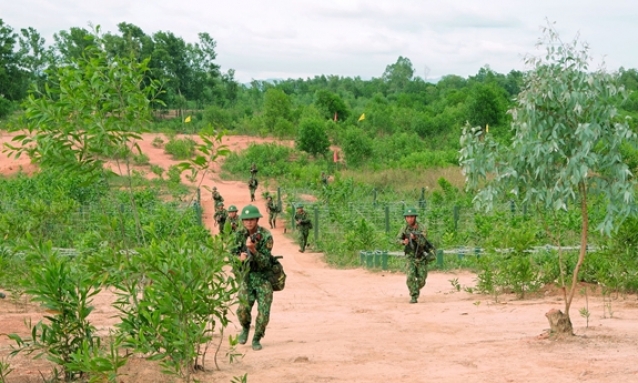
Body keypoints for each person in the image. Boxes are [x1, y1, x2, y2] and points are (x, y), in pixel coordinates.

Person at [231, 205, 275, 351]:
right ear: (242, 221)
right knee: (242, 310)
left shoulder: (266, 236)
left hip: (262, 278)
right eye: (246, 220)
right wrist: (239, 258)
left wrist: (252, 250)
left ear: (257, 220)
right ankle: (245, 328)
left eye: (252, 219)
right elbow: (231, 255)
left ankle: (256, 338)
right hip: (247, 278)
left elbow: (265, 262)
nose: (249, 222)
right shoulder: (238, 235)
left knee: (264, 313)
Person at [397, 207, 431, 304]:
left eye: (411, 217)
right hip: (410, 255)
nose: (410, 219)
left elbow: (424, 242)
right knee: (410, 277)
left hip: (420, 255)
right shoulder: (404, 228)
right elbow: (397, 239)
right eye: (407, 217)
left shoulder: (421, 227)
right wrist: (404, 241)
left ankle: (414, 288)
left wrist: (416, 237)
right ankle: (414, 295)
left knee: (422, 279)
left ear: (415, 217)